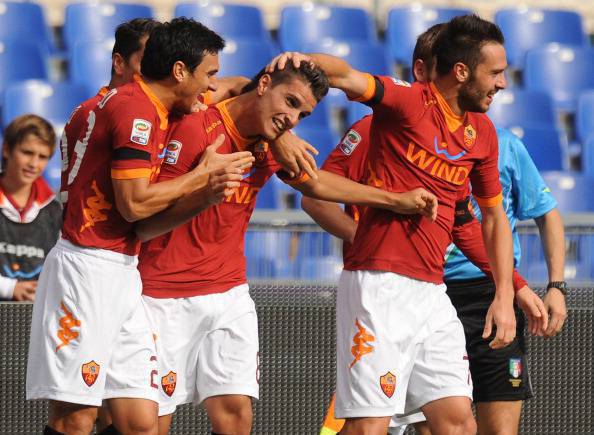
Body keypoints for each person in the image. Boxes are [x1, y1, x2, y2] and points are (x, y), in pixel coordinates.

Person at [267, 14, 551, 434]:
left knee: (458, 423)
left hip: (433, 292)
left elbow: (484, 221)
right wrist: (299, 59)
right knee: (369, 426)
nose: (503, 83)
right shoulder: (405, 103)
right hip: (379, 287)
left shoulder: (483, 135)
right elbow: (344, 76)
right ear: (461, 71)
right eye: (495, 73)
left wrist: (510, 292)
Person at [133, 60, 438, 435]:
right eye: (290, 102)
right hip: (163, 294)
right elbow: (146, 219)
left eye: (302, 114)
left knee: (236, 414)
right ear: (263, 84)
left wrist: (394, 200)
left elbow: (316, 185)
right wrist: (203, 190)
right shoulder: (198, 128)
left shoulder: (271, 142)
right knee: (149, 423)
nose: (292, 119)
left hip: (229, 292)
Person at [26, 18, 255, 435]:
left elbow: (239, 88)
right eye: (208, 75)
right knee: (76, 417)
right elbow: (133, 206)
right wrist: (202, 176)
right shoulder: (136, 110)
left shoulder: (148, 105)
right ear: (179, 71)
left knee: (140, 422)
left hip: (124, 269)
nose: (211, 86)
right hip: (86, 270)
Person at [0, 115, 60, 302]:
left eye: (42, 157)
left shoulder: (55, 210)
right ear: (6, 149)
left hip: (35, 313)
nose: (34, 164)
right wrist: (9, 288)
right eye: (27, 152)